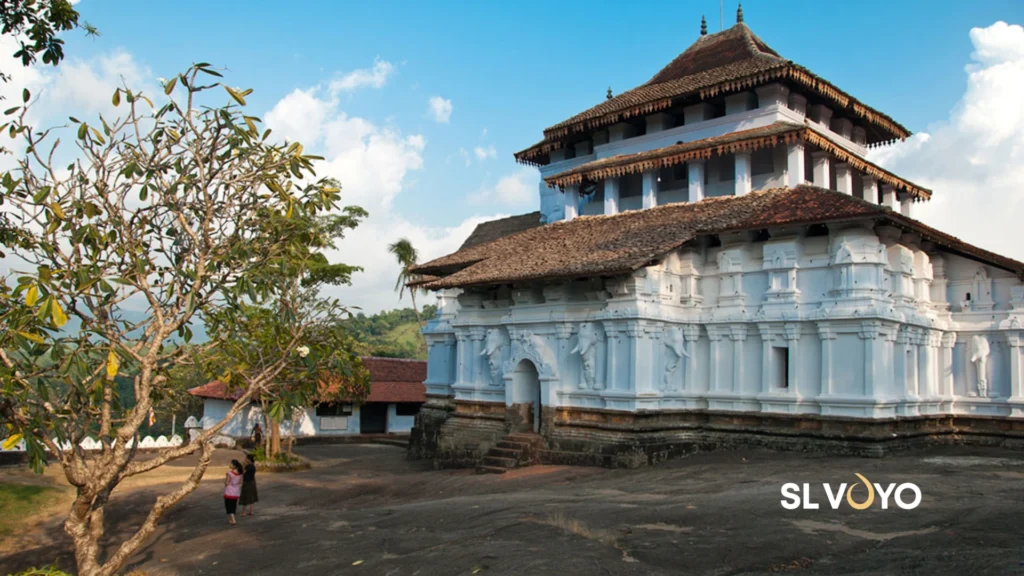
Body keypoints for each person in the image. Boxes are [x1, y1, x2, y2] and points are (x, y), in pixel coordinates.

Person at [224, 459, 243, 525]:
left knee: (229, 506)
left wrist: (226, 483)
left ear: (234, 466)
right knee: (233, 505)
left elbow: (227, 483)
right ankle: (230, 520)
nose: (230, 465)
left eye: (231, 464)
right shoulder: (240, 473)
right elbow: (241, 481)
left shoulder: (229, 473)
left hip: (229, 491)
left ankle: (233, 520)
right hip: (236, 491)